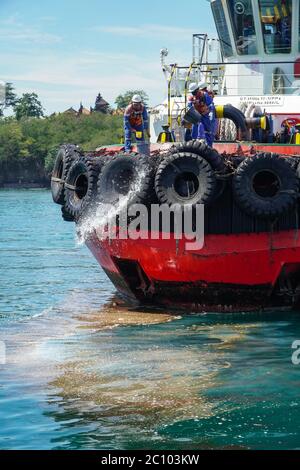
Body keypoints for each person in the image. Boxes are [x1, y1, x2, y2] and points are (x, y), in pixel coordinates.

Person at [187, 82, 216, 147]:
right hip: (197, 115)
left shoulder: (204, 95)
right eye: (192, 92)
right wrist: (189, 108)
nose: (193, 93)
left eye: (194, 92)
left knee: (208, 131)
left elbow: (210, 104)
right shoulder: (192, 98)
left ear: (197, 90)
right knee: (194, 130)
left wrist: (211, 112)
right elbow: (189, 105)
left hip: (205, 115)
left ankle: (209, 146)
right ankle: (194, 144)